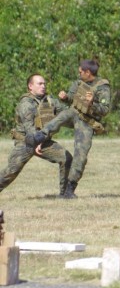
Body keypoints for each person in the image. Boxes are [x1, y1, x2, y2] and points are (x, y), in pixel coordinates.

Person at [26, 59, 111, 199]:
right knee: (63, 115)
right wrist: (65, 97)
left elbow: (104, 110)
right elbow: (72, 98)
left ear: (88, 72)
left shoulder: (102, 87)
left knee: (81, 155)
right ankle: (40, 136)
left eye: (80, 72)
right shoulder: (78, 83)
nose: (78, 74)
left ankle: (70, 189)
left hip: (86, 121)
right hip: (74, 113)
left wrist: (91, 104)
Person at [0, 74, 72, 197]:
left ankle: (65, 194)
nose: (43, 86)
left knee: (66, 158)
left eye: (44, 83)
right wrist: (36, 143)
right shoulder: (26, 103)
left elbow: (66, 115)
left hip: (42, 142)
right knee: (11, 171)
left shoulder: (50, 101)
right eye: (39, 84)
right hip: (25, 142)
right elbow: (30, 129)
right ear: (30, 86)